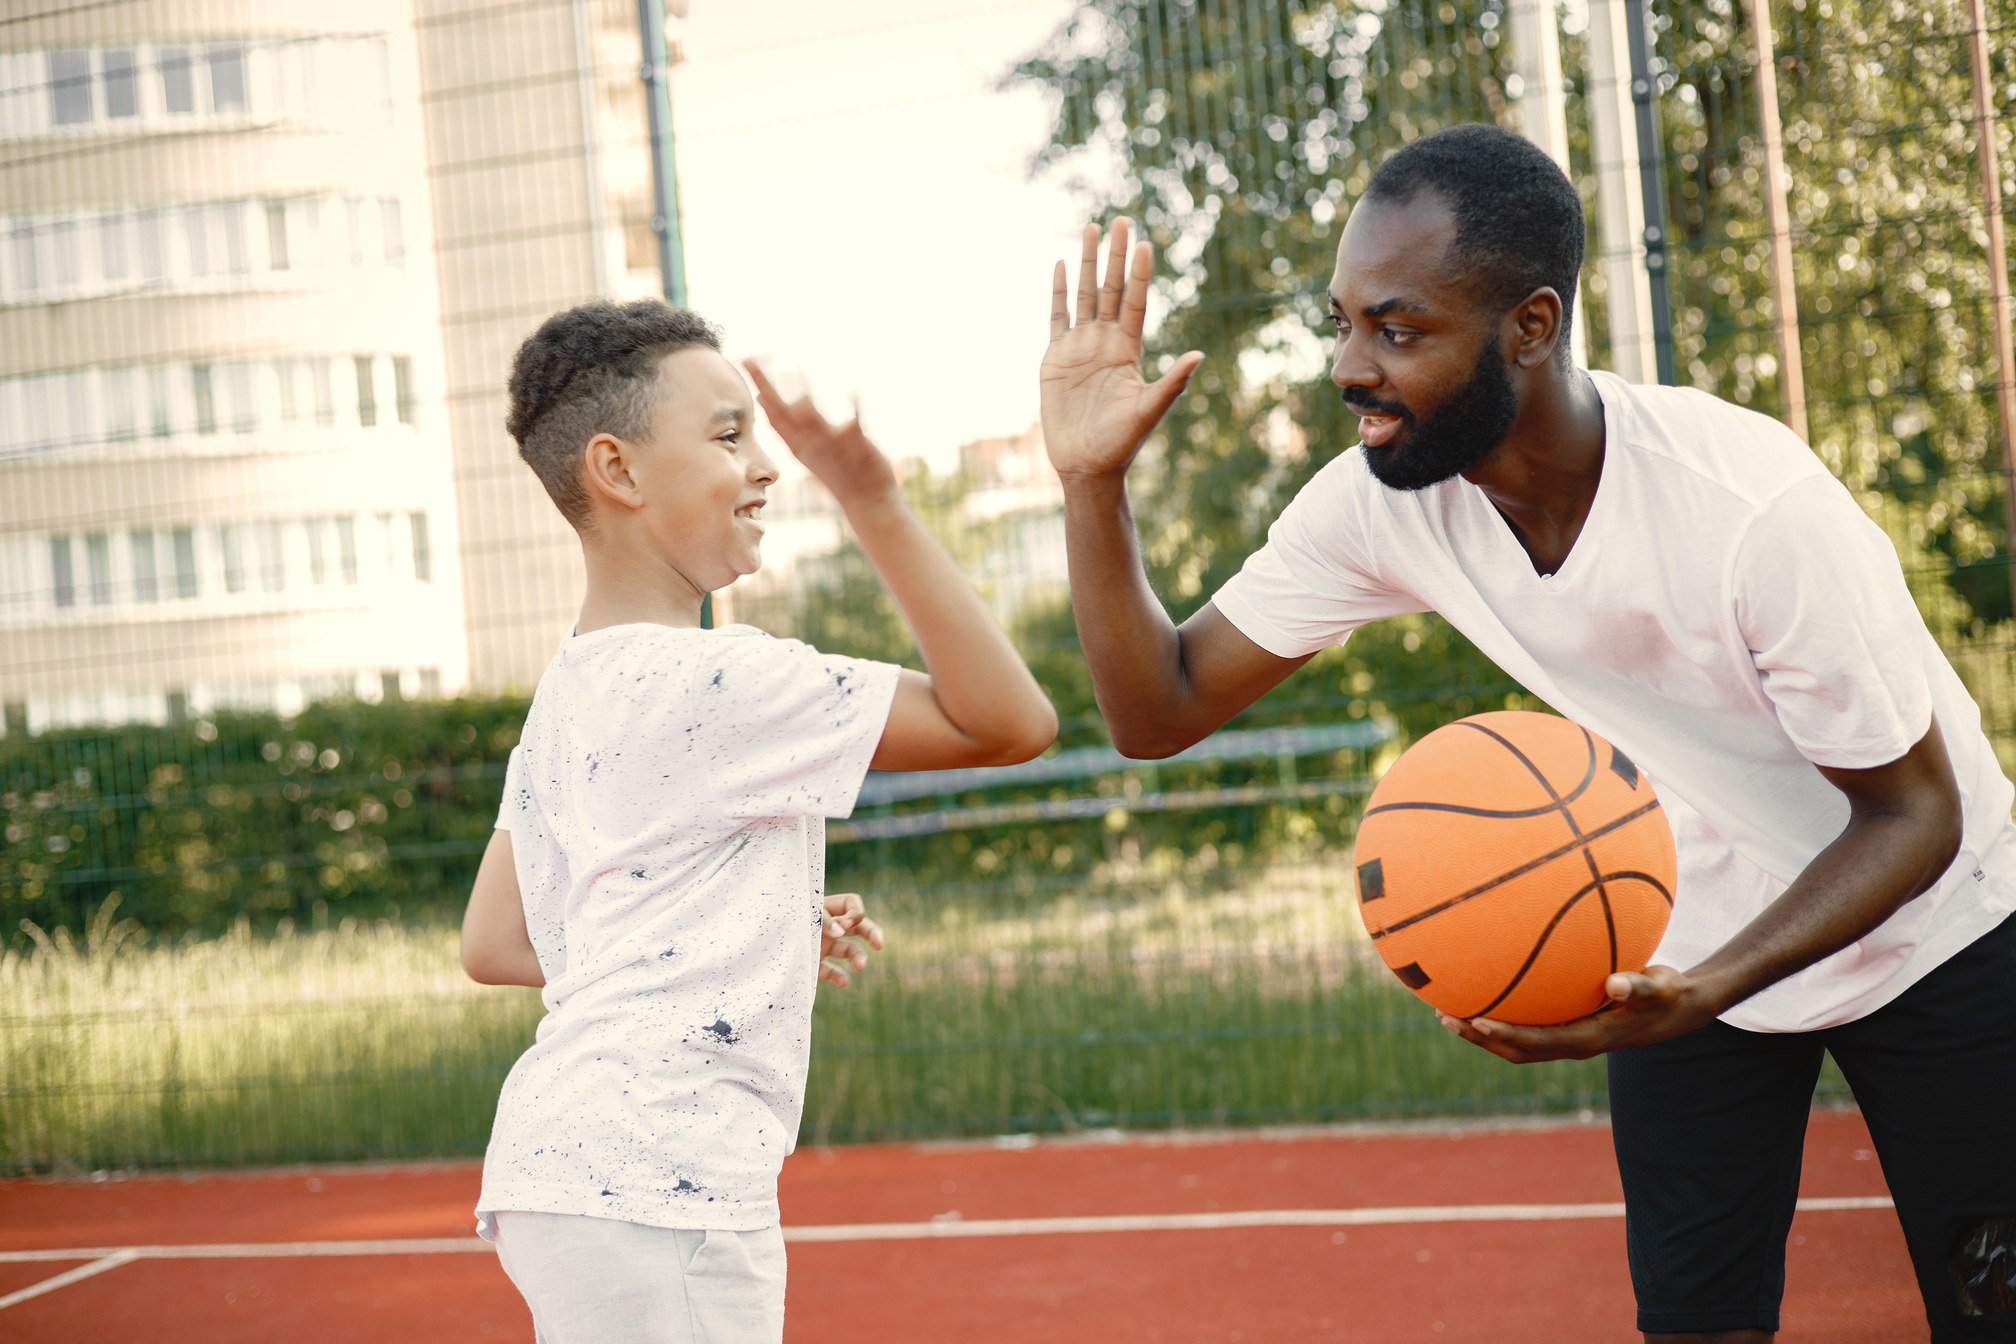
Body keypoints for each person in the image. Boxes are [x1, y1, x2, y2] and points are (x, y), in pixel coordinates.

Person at [1039, 123, 2016, 1343]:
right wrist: (1090, 488)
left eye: (1397, 330)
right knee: (1695, 1326)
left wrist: (1704, 990)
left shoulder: (1751, 513)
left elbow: (1917, 814)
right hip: (1684, 930)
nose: (1350, 366)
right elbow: (1159, 708)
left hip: (1931, 924)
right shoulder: (1386, 500)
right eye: (1341, 322)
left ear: (1532, 327)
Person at [459, 298, 1056, 1344]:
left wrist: (740, 931)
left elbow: (499, 941)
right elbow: (1010, 721)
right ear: (619, 470)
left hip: (568, 1167)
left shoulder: (566, 695)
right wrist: (876, 501)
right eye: (730, 435)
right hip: (659, 1177)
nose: (768, 467)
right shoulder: (724, 677)